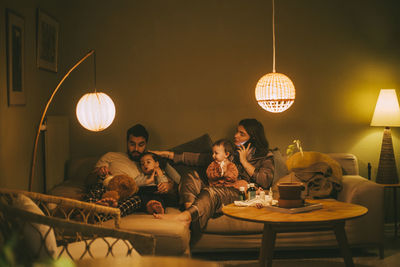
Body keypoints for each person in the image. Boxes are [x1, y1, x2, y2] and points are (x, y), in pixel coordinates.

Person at [152, 118, 285, 235]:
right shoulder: (231, 153)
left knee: (211, 192)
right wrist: (167, 154)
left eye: (241, 134)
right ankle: (189, 215)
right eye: (237, 131)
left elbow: (265, 181)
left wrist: (244, 161)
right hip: (220, 186)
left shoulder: (265, 156)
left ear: (253, 138)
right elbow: (199, 158)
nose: (236, 135)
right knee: (189, 176)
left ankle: (187, 217)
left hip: (241, 192)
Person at [84, 124, 180, 218]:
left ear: (146, 144)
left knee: (138, 198)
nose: (136, 149)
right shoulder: (111, 156)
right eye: (132, 144)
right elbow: (88, 182)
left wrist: (168, 186)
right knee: (97, 188)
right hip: (107, 188)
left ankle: (103, 213)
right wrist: (98, 173)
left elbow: (172, 183)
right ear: (127, 142)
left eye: (141, 145)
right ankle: (86, 210)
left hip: (129, 196)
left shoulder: (150, 162)